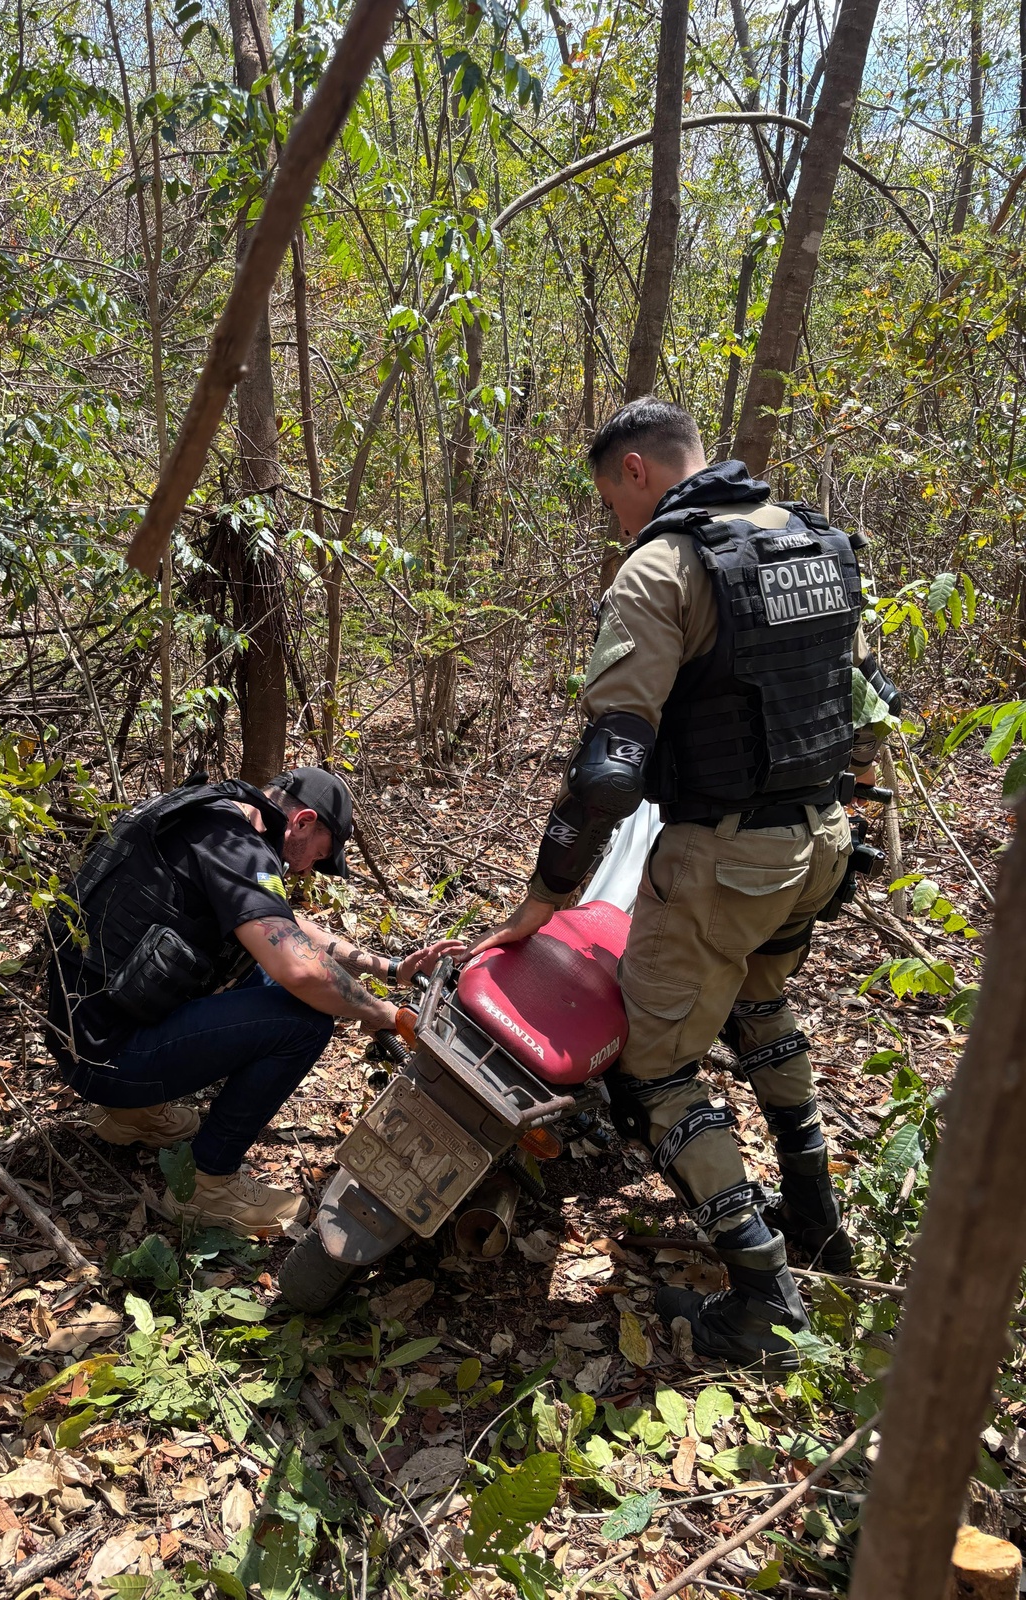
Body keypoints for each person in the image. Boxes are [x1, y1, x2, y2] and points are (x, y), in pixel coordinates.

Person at [466, 399, 899, 1368]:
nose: (617, 524)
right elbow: (872, 714)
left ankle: (761, 1297)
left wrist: (545, 895)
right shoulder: (816, 544)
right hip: (820, 839)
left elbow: (612, 766)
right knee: (761, 1005)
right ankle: (818, 1214)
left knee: (656, 1063)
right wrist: (853, 827)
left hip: (725, 858)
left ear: (635, 470)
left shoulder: (664, 566)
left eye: (610, 503)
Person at [46, 766, 460, 1234]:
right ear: (302, 821)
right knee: (306, 1021)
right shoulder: (238, 843)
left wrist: (388, 968)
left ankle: (130, 1115)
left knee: (264, 971)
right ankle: (208, 1186)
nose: (305, 870)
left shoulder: (211, 816)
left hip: (83, 1033)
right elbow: (299, 968)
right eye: (316, 856)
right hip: (108, 1059)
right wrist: (381, 1013)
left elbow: (281, 923)